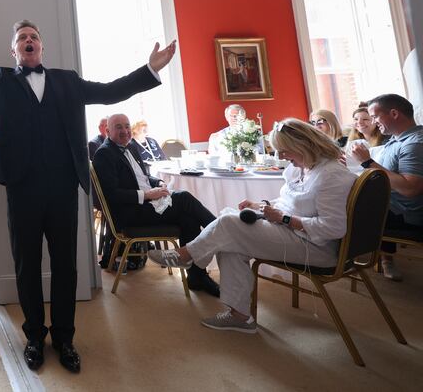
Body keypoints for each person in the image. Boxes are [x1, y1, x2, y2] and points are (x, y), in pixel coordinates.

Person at [0, 6, 176, 373]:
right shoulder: (1, 80)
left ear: (42, 47)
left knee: (66, 267)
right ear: (14, 50)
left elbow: (112, 91)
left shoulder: (67, 80)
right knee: (26, 265)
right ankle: (35, 336)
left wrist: (150, 70)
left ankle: (65, 338)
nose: (28, 41)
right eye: (22, 38)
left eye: (33, 36)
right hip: (21, 189)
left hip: (64, 187)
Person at [150, 118, 356, 333]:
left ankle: (186, 255)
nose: (281, 157)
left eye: (284, 151)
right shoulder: (300, 169)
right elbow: (288, 203)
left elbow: (333, 228)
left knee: (229, 225)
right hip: (294, 234)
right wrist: (261, 206)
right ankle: (240, 316)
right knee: (230, 236)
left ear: (302, 146)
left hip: (317, 248)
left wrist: (284, 219)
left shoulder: (331, 175)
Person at [93, 114, 219, 295]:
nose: (125, 131)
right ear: (107, 131)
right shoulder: (104, 154)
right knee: (183, 197)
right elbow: (111, 194)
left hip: (145, 206)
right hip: (130, 214)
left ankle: (197, 277)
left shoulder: (131, 148)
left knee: (188, 219)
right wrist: (146, 195)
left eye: (127, 126)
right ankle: (219, 229)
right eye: (118, 127)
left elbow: (143, 177)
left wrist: (158, 183)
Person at [350, 94, 423, 281]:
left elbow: (410, 188)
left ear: (394, 114)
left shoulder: (414, 144)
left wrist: (367, 162)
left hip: (404, 216)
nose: (373, 122)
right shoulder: (398, 138)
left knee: (340, 209)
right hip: (393, 208)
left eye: (375, 116)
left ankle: (335, 262)